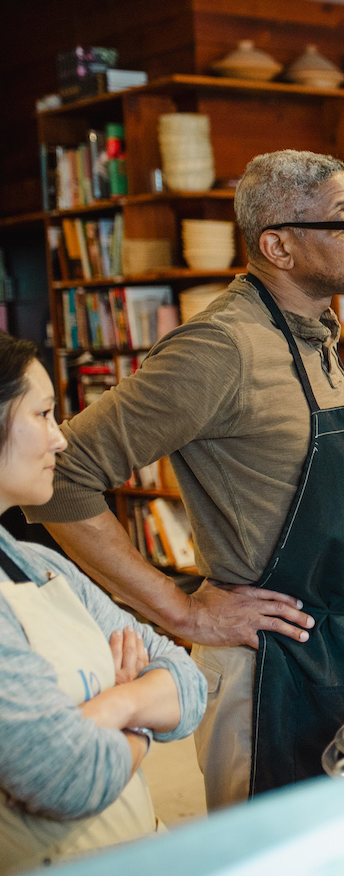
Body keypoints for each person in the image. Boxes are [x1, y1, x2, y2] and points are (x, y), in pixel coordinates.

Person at [24, 150, 344, 809]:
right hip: (271, 671)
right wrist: (179, 609)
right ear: (277, 244)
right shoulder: (219, 349)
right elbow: (64, 473)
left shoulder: (322, 334)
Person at [0, 332, 205, 873]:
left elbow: (186, 680)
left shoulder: (36, 562)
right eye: (43, 414)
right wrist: (143, 716)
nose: (60, 439)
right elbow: (68, 775)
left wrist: (115, 706)